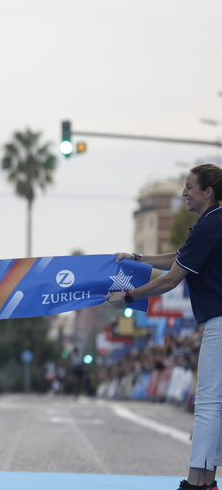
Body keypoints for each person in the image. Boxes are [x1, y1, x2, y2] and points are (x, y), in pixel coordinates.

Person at [107, 164, 222, 490]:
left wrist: (127, 296)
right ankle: (208, 481)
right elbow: (180, 257)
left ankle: (198, 483)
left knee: (209, 404)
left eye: (189, 187)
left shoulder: (209, 225)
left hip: (219, 322)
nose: (184, 193)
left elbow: (172, 279)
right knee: (218, 405)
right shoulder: (213, 223)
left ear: (208, 192)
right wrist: (138, 258)